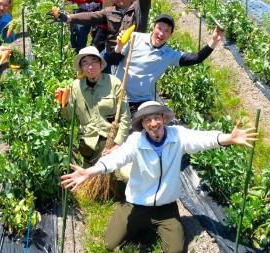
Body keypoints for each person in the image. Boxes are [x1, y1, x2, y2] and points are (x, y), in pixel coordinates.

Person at [60, 101, 257, 253]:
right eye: (147, 120)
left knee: (176, 250)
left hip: (166, 207)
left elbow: (201, 139)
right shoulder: (136, 141)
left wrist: (228, 139)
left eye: (156, 117)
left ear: (163, 118)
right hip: (138, 204)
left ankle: (155, 226)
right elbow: (117, 158)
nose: (153, 123)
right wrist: (90, 171)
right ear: (143, 125)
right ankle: (127, 214)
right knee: (110, 243)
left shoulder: (177, 136)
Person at [105, 13, 224, 113]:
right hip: (119, 95)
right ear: (153, 27)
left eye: (167, 31)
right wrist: (119, 46)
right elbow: (112, 61)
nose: (162, 33)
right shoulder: (135, 38)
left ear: (171, 35)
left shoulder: (169, 55)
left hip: (142, 102)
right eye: (159, 28)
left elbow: (196, 58)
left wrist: (213, 41)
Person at [60, 46, 131, 166]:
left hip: (110, 141)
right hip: (88, 143)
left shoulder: (114, 83)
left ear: (100, 64)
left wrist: (118, 143)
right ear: (81, 68)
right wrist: (65, 103)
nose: (90, 67)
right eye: (85, 63)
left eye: (94, 62)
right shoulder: (75, 87)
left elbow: (125, 115)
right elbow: (69, 118)